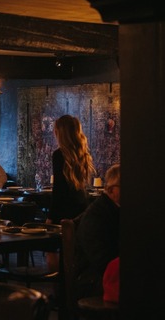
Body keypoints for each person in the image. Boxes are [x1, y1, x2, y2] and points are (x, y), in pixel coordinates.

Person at [75, 164, 119, 299]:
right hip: (91, 280)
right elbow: (100, 259)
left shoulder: (113, 209)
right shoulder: (97, 215)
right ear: (111, 190)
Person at [48, 115, 95, 224]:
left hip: (64, 210)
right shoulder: (82, 153)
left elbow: (59, 188)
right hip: (81, 207)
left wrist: (50, 216)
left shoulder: (59, 155)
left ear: (60, 133)